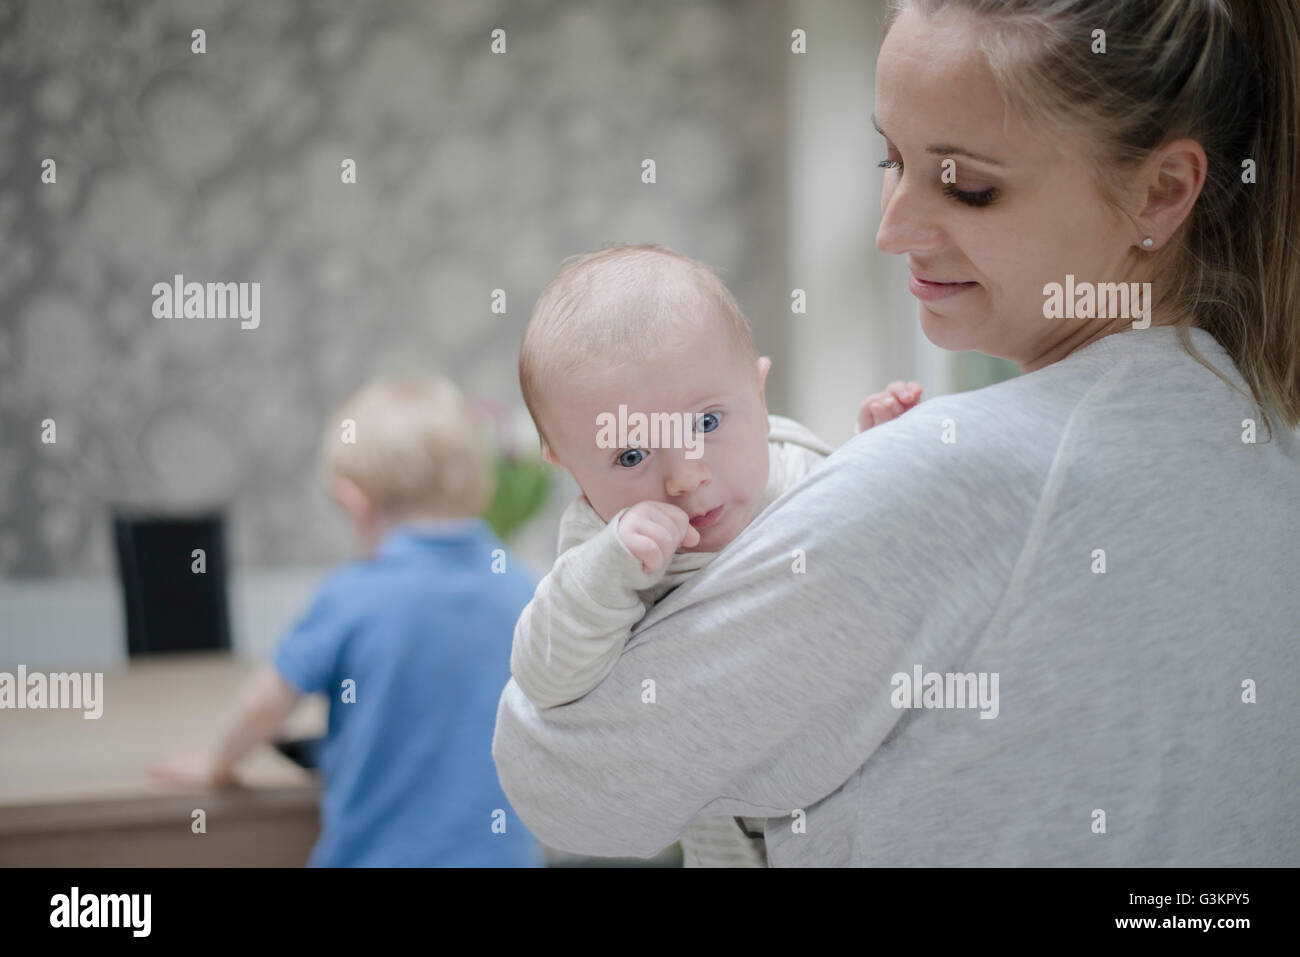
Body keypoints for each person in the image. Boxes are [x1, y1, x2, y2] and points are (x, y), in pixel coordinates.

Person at [492, 0, 1300, 866]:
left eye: (965, 184)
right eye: (891, 158)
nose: (889, 230)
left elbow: (567, 789)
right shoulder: (1263, 436)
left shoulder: (969, 477)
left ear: (1161, 191)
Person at [510, 242, 921, 866]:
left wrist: (882, 458)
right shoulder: (601, 545)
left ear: (758, 391)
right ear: (568, 467)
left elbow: (870, 550)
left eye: (705, 423)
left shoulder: (800, 464)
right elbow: (544, 677)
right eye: (630, 456)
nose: (684, 476)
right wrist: (609, 573)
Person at [154, 377, 544, 867]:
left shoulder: (353, 595)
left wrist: (217, 764)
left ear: (355, 501)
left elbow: (265, 701)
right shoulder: (524, 588)